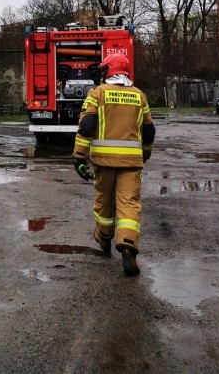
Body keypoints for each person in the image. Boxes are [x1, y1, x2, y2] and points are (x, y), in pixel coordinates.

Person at [72, 53, 155, 277]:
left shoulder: (97, 94)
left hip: (103, 162)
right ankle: (128, 245)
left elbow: (86, 125)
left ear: (107, 71)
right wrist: (144, 155)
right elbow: (149, 131)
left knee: (104, 203)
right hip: (131, 164)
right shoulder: (139, 96)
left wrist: (80, 156)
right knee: (129, 204)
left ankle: (104, 236)